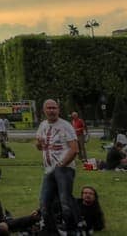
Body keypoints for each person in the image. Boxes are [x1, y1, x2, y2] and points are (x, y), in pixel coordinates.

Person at [34, 99, 79, 236]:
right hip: (48, 170)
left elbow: (74, 149)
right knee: (44, 203)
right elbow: (38, 147)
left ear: (58, 110)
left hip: (63, 169)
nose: (52, 110)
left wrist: (61, 164)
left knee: (65, 202)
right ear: (44, 110)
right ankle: (51, 230)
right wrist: (38, 143)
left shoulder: (65, 126)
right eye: (49, 108)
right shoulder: (42, 125)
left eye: (54, 108)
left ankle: (73, 230)